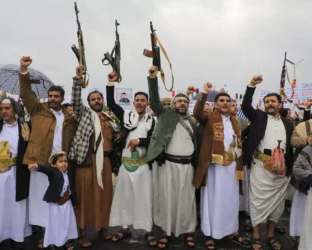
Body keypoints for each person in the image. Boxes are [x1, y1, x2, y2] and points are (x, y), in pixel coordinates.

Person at [19, 56, 77, 249]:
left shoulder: (69, 117)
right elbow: (26, 94)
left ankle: (59, 235)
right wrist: (24, 71)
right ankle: (45, 236)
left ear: (62, 98)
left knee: (59, 202)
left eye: (56, 96)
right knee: (41, 201)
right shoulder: (38, 109)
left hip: (60, 166)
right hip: (40, 163)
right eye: (50, 96)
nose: (52, 99)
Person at [193, 83, 250, 249]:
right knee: (213, 199)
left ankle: (231, 230)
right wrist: (204, 92)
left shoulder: (234, 121)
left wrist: (232, 157)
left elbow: (235, 144)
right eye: (222, 101)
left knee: (231, 200)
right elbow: (196, 113)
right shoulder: (209, 117)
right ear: (216, 104)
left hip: (231, 166)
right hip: (214, 169)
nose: (225, 103)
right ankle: (210, 233)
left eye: (228, 100)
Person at [147, 65, 198, 249]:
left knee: (187, 201)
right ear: (173, 104)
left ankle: (188, 232)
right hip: (167, 165)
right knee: (166, 200)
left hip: (187, 168)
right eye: (179, 102)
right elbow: (153, 102)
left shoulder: (192, 122)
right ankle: (166, 233)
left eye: (185, 102)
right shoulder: (166, 114)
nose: (182, 104)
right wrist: (152, 78)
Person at [69, 66, 120, 247]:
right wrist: (77, 79)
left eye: (99, 98)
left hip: (105, 162)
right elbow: (75, 101)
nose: (96, 101)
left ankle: (101, 228)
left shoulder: (108, 117)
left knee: (105, 196)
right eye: (93, 99)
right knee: (85, 197)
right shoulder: (84, 114)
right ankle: (82, 232)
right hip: (87, 161)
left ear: (102, 101)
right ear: (88, 102)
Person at [241, 76, 294, 250]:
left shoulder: (288, 123)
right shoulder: (259, 117)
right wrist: (251, 86)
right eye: (267, 101)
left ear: (280, 104)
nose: (269, 103)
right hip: (261, 166)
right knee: (257, 201)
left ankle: (270, 235)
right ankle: (256, 235)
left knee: (278, 205)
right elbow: (245, 106)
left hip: (280, 170)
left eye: (273, 101)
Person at [106, 71, 157, 245]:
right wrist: (110, 83)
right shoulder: (126, 116)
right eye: (138, 100)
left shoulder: (153, 120)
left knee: (145, 198)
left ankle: (148, 230)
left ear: (147, 103)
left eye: (143, 100)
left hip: (143, 166)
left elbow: (155, 141)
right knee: (125, 198)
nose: (140, 103)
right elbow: (111, 103)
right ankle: (125, 228)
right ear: (133, 102)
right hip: (126, 165)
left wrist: (140, 141)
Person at [0, 96, 31, 248]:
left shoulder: (24, 127)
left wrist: (28, 139)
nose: (3, 111)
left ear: (15, 109)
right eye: (1, 108)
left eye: (7, 108)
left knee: (16, 208)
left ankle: (17, 238)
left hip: (15, 174)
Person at [28, 152, 78, 250]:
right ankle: (53, 242)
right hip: (56, 203)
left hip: (67, 202)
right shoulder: (53, 172)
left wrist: (74, 201)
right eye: (60, 162)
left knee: (66, 222)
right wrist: (36, 166)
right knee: (55, 223)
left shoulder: (69, 173)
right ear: (54, 164)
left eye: (65, 161)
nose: (64, 163)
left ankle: (66, 240)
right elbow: (45, 169)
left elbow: (72, 187)